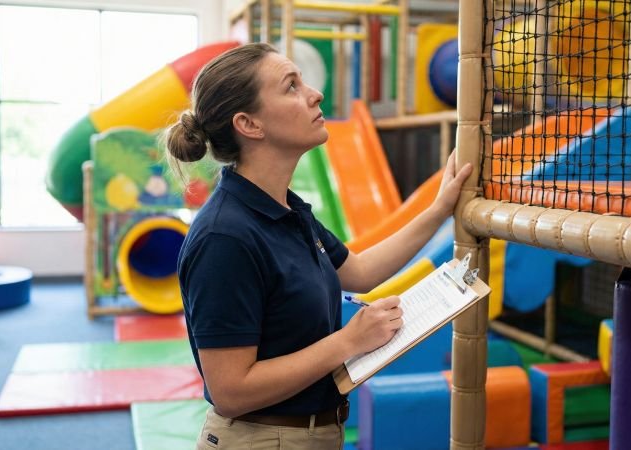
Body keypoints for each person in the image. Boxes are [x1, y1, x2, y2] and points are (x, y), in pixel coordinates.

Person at [166, 42, 472, 450]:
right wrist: (348, 341)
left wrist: (439, 210)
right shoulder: (224, 237)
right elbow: (231, 390)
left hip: (314, 433)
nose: (315, 94)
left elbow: (360, 271)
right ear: (250, 124)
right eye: (291, 86)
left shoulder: (287, 207)